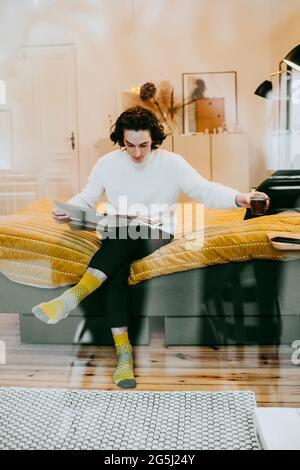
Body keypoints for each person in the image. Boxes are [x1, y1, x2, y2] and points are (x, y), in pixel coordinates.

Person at [32, 106, 269, 389]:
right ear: (121, 140)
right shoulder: (107, 163)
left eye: (143, 145)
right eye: (129, 145)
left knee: (131, 232)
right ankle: (124, 355)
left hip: (157, 231)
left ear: (153, 140)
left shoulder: (172, 163)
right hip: (119, 232)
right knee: (116, 272)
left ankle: (73, 297)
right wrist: (69, 209)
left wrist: (239, 197)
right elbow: (87, 197)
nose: (136, 153)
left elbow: (205, 189)